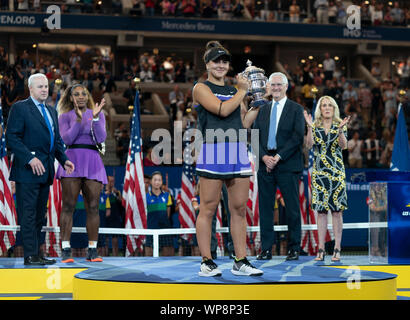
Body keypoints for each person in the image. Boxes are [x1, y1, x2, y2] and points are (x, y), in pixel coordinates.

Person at [192, 40, 262, 276]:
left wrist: (257, 106)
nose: (221, 65)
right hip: (213, 149)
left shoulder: (235, 91)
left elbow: (241, 123)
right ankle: (206, 261)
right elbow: (221, 110)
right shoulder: (200, 88)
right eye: (216, 61)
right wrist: (242, 91)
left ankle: (240, 260)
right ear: (208, 64)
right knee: (208, 208)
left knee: (239, 208)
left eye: (224, 61)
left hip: (238, 149)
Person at [6, 73, 75, 265]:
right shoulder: (20, 108)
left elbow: (57, 141)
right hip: (27, 172)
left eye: (46, 86)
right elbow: (12, 137)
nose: (45, 89)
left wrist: (64, 160)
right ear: (31, 89)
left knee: (38, 216)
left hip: (46, 172)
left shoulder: (52, 111)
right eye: (40, 87)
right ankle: (30, 255)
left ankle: (37, 253)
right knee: (28, 214)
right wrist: (29, 158)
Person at [253, 72, 305, 261]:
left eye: (278, 85)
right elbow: (254, 136)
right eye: (272, 85)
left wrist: (278, 157)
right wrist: (265, 157)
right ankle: (266, 249)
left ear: (286, 87)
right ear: (268, 87)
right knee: (266, 209)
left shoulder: (296, 109)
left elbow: (297, 137)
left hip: (287, 165)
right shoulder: (263, 110)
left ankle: (294, 248)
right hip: (265, 165)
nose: (275, 88)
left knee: (291, 209)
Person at [56, 83, 107, 263]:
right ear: (71, 98)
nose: (80, 97)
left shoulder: (98, 114)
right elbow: (67, 139)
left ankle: (92, 250)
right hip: (71, 160)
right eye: (76, 94)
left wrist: (93, 118)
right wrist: (79, 120)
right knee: (68, 206)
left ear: (87, 96)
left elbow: (100, 138)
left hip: (93, 160)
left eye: (83, 94)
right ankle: (65, 249)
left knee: (93, 207)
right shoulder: (64, 116)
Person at [304, 95, 350, 262]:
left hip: (336, 173)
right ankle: (321, 249)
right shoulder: (314, 125)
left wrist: (340, 131)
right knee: (321, 212)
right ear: (320, 109)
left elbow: (344, 146)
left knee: (337, 211)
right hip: (319, 174)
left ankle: (337, 248)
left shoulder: (340, 124)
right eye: (324, 105)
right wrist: (309, 128)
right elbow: (309, 145)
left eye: (330, 105)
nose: (327, 107)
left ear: (334, 108)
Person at [145, 171, 174, 257]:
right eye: (155, 180)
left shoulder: (167, 195)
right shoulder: (146, 196)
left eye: (159, 180)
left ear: (162, 182)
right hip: (151, 229)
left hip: (164, 229)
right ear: (151, 181)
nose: (157, 182)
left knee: (167, 256)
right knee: (149, 256)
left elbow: (168, 214)